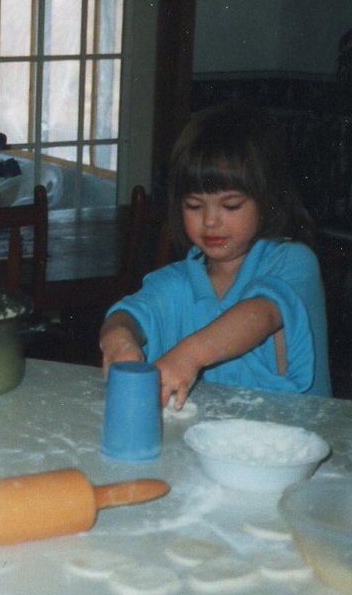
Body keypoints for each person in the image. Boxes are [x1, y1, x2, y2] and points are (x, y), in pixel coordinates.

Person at [99, 102, 331, 408]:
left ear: (268, 199)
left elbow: (262, 314)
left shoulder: (293, 262)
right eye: (194, 205)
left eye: (231, 205)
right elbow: (129, 314)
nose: (210, 221)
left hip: (296, 441)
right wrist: (118, 338)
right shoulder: (179, 281)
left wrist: (190, 355)